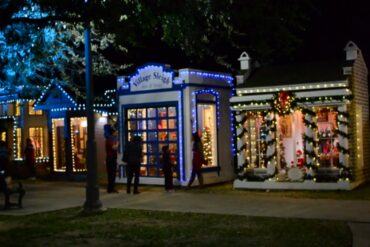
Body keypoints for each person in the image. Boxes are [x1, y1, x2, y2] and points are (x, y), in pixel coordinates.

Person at [105, 126, 119, 193]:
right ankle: (110, 188)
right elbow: (114, 148)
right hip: (111, 159)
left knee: (112, 174)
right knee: (111, 174)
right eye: (116, 132)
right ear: (113, 133)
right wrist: (117, 144)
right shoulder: (109, 140)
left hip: (111, 159)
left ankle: (111, 188)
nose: (117, 133)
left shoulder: (111, 140)